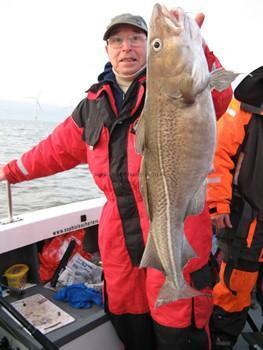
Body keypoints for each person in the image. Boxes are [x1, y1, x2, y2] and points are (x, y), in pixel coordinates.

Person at [0, 11, 232, 350]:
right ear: (107, 50)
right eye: (117, 41)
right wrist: (10, 171)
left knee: (179, 325)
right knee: (130, 323)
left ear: (150, 49)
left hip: (175, 217)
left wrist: (197, 46)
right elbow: (54, 150)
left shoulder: (175, 84)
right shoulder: (92, 106)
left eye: (138, 39)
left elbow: (219, 97)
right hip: (118, 238)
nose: (127, 48)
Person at [207, 66, 263, 350]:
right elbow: (219, 153)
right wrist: (218, 203)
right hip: (247, 219)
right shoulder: (248, 98)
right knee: (234, 286)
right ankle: (222, 342)